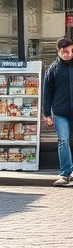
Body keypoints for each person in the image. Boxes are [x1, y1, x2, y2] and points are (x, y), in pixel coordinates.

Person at [43, 37, 73, 187]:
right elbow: (47, 92)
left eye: (71, 51)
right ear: (59, 51)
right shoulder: (53, 69)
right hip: (60, 112)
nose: (68, 54)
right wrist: (47, 113)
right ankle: (65, 174)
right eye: (65, 51)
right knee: (63, 141)